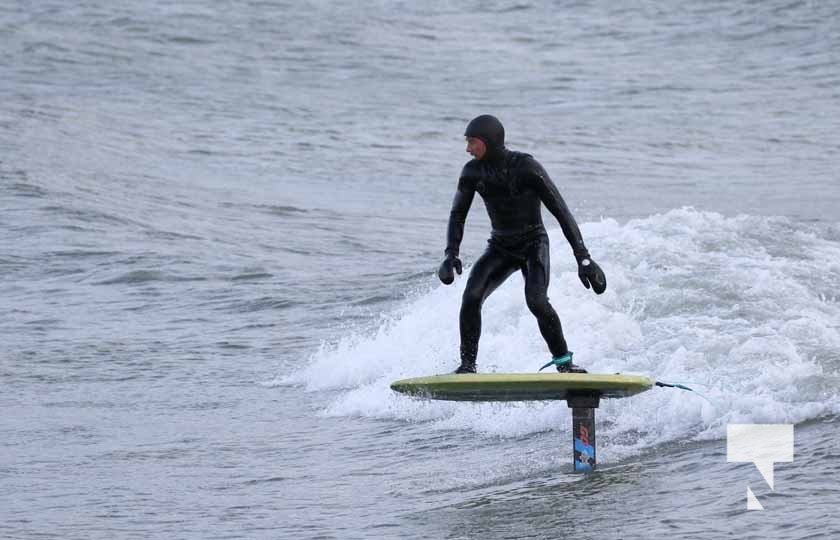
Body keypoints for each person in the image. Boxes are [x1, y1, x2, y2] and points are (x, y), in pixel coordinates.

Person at [438, 115, 606, 374]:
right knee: (471, 297)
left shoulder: (526, 167)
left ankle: (564, 363)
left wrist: (583, 258)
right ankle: (467, 365)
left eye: (472, 142)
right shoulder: (472, 172)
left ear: (489, 141)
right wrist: (451, 254)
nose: (468, 149)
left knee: (537, 302)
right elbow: (457, 214)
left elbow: (560, 211)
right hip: (500, 246)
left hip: (533, 244)